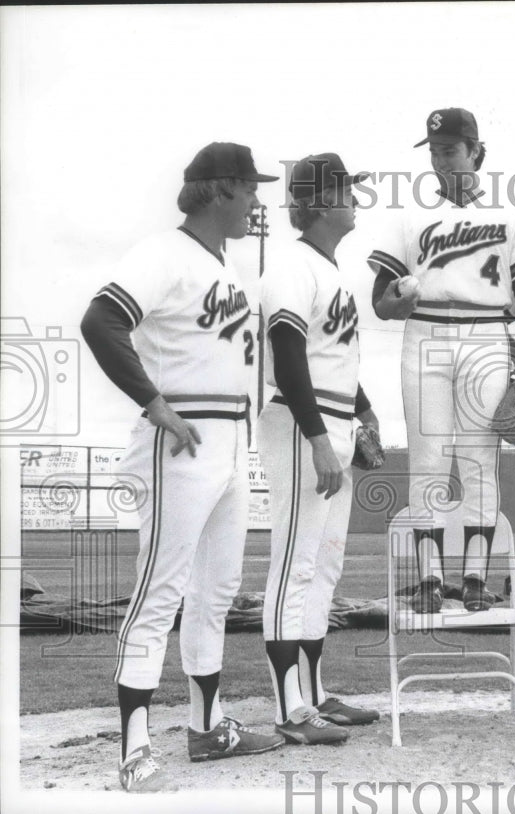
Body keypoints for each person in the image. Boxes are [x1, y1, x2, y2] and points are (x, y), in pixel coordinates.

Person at [80, 142, 284, 793]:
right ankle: (134, 745)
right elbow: (101, 319)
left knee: (216, 591)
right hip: (180, 441)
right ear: (221, 189)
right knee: (160, 591)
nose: (258, 200)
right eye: (251, 188)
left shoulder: (226, 268)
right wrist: (153, 402)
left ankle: (206, 726)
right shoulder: (162, 254)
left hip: (227, 444)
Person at [368, 108, 515, 612]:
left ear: (476, 151)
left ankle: (473, 575)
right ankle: (428, 578)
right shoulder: (407, 218)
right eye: (433, 151)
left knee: (477, 461)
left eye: (449, 149)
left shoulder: (512, 216)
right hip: (424, 332)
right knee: (427, 460)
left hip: (488, 333)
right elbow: (379, 299)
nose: (440, 159)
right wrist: (394, 304)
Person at [257, 153, 381, 745]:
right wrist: (318, 440)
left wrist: (362, 411)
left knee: (325, 567)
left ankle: (313, 693)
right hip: (300, 426)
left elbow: (332, 358)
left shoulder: (332, 271)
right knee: (293, 565)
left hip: (334, 422)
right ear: (320, 202)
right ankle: (289, 709)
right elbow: (288, 357)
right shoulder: (291, 268)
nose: (355, 198)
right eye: (347, 190)